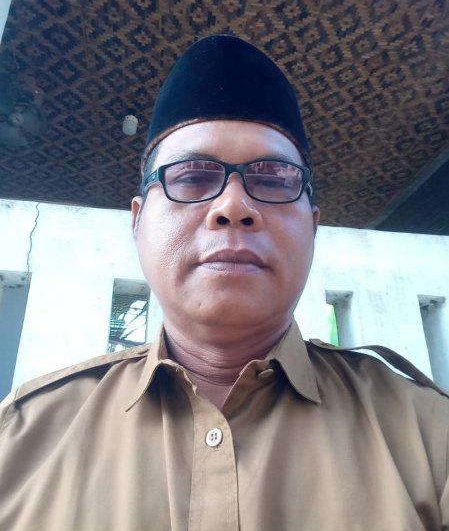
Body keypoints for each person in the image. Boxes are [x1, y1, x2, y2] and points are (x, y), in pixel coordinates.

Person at [0, 35, 448, 531]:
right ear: (138, 220)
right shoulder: (19, 443)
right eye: (192, 177)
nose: (234, 206)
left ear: (313, 224)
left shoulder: (430, 440)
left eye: (274, 178)